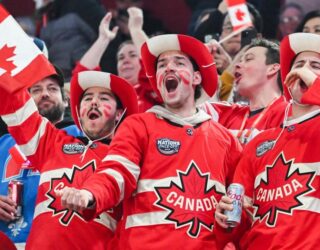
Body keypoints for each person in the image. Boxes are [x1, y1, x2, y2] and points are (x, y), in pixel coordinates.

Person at [57, 34, 243, 249]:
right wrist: (89, 194)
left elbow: (241, 206)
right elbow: (116, 172)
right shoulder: (139, 125)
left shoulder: (227, 139)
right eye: (162, 65)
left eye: (179, 62)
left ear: (196, 78)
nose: (168, 68)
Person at [215, 32, 320, 249]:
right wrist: (226, 223)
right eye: (299, 64)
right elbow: (239, 226)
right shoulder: (260, 143)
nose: (304, 70)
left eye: (315, 66)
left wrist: (319, 89)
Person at [0, 67, 138, 249]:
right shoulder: (52, 143)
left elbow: (116, 186)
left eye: (103, 98)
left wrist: (89, 196)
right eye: (87, 99)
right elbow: (16, 106)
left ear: (119, 114)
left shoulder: (127, 156)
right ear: (79, 112)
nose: (94, 102)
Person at [0, 66, 82, 249]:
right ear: (25, 101)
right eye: (36, 90)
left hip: (61, 242)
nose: (45, 94)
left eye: (52, 89)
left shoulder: (82, 138)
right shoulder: (3, 143)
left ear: (67, 100)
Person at [203, 38, 287, 145]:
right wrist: (200, 60)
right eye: (239, 61)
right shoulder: (226, 113)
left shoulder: (289, 113)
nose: (237, 65)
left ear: (272, 69)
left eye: (248, 59)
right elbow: (188, 109)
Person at [74, 10, 160, 112]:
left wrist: (136, 30)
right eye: (121, 57)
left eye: (132, 55)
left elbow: (154, 67)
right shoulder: (108, 95)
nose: (126, 60)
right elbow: (82, 79)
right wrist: (103, 39)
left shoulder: (156, 91)